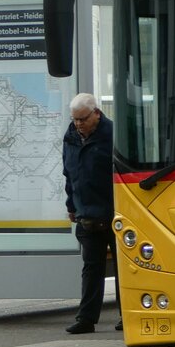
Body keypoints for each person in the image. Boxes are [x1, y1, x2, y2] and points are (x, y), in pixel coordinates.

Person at [62, 92, 119, 334]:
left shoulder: (113, 135)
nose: (78, 125)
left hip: (114, 213)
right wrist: (71, 206)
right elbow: (69, 174)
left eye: (83, 119)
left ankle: (127, 316)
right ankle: (86, 319)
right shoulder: (71, 137)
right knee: (91, 267)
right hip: (85, 213)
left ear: (96, 113)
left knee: (123, 269)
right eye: (75, 120)